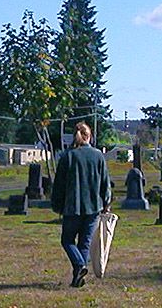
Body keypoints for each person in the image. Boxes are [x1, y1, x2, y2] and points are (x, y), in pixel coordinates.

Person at [51, 122, 111, 287]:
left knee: (67, 240)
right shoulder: (98, 155)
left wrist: (56, 204)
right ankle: (79, 275)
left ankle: (79, 267)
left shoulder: (67, 156)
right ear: (89, 136)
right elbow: (105, 183)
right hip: (93, 206)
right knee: (84, 242)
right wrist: (106, 202)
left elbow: (59, 185)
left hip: (72, 207)